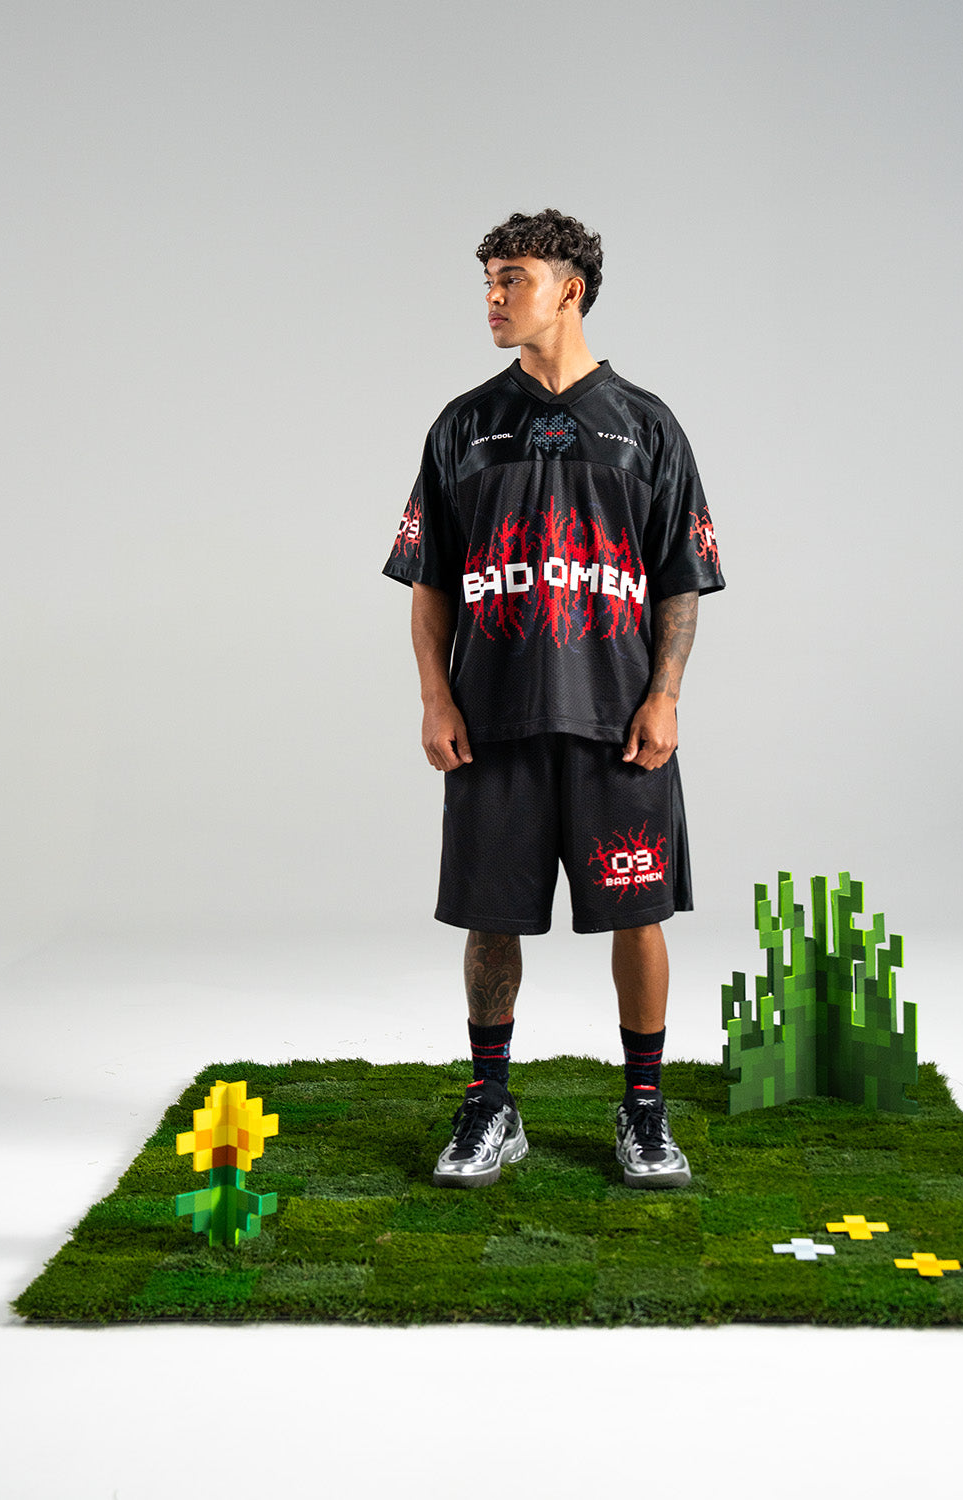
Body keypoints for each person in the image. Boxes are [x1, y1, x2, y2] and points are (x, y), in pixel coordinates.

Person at [382, 208, 724, 1191]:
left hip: (619, 724)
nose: (493, 298)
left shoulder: (646, 425)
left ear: (570, 290)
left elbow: (680, 577)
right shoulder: (463, 425)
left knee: (638, 914)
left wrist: (665, 695)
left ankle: (645, 1109)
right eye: (487, 281)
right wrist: (435, 698)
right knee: (490, 919)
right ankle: (490, 1102)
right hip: (493, 721)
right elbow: (430, 578)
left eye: (513, 279)